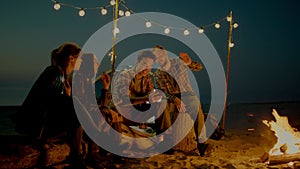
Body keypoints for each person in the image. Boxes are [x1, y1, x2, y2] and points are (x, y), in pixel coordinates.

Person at [11, 42, 87, 168]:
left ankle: (76, 153)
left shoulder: (60, 74)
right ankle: (76, 157)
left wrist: (67, 97)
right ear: (71, 58)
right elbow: (46, 101)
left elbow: (56, 103)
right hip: (37, 126)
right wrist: (67, 97)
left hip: (40, 124)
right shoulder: (54, 73)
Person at [152, 45, 207, 156]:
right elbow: (163, 91)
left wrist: (190, 63)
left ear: (166, 54)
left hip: (187, 95)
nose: (160, 58)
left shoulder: (178, 62)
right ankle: (165, 139)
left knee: (195, 104)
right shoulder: (158, 73)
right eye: (157, 56)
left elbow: (199, 67)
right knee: (161, 105)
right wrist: (174, 99)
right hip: (172, 97)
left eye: (161, 55)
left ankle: (202, 141)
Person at [112, 50, 163, 128]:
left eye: (150, 66)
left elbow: (150, 94)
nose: (147, 69)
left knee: (161, 104)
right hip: (122, 111)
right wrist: (147, 98)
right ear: (137, 62)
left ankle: (162, 134)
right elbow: (124, 100)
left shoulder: (147, 77)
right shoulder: (125, 75)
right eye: (144, 64)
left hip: (137, 111)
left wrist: (156, 96)